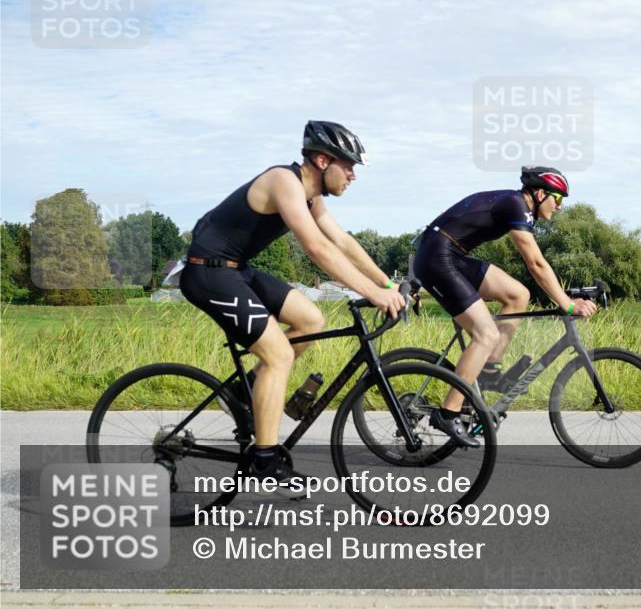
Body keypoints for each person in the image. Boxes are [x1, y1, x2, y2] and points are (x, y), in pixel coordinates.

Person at [180, 121, 405, 486]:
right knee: (279, 355)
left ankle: (242, 392)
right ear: (321, 160)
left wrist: (387, 283)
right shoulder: (284, 182)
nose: (352, 176)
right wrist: (375, 295)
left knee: (310, 320)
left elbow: (341, 241)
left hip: (237, 270)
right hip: (208, 273)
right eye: (348, 166)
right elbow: (316, 247)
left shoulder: (311, 196)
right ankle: (265, 461)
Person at [412, 166, 598, 447]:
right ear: (538, 194)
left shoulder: (516, 205)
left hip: (451, 254)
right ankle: (447, 413)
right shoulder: (515, 204)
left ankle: (489, 370)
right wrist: (567, 305)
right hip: (437, 258)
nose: (559, 207)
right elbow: (535, 263)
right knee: (486, 334)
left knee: (517, 295)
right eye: (557, 199)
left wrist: (563, 299)